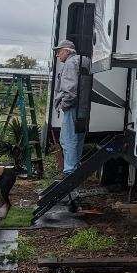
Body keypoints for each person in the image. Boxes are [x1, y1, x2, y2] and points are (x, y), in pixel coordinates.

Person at [52, 39, 86, 177]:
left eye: (59, 52)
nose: (57, 55)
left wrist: (64, 105)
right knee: (77, 139)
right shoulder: (82, 61)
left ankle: (69, 173)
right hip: (82, 108)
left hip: (72, 107)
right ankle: (75, 170)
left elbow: (71, 91)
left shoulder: (71, 63)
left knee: (68, 140)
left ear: (67, 51)